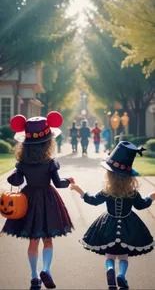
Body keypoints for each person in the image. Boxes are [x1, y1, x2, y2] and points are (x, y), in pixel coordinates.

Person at [0, 112, 75, 290]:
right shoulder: (50, 162)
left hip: (28, 201)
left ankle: (34, 277)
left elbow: (16, 182)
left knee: (33, 241)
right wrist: (68, 181)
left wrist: (14, 175)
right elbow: (58, 183)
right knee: (47, 240)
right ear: (48, 142)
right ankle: (46, 270)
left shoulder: (22, 163)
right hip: (48, 200)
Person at [71, 141, 155, 290]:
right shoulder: (132, 193)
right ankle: (121, 275)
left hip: (107, 226)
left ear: (109, 174)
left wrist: (79, 190)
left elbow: (93, 201)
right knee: (123, 256)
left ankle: (110, 269)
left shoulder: (107, 191)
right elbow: (141, 205)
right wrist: (151, 197)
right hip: (129, 227)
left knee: (110, 255)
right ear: (129, 177)